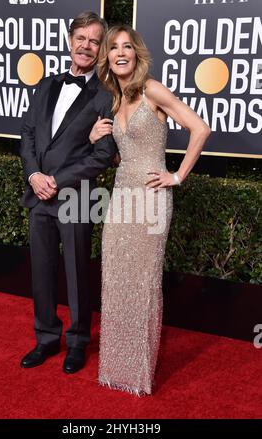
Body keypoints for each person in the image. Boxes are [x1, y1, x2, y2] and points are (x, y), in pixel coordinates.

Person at [89, 24, 211, 395]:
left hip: (152, 200)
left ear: (137, 54)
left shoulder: (152, 90)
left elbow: (200, 128)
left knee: (143, 284)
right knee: (116, 280)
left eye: (127, 46)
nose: (120, 52)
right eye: (113, 47)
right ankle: (115, 369)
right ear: (107, 57)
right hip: (122, 198)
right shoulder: (114, 98)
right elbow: (122, 157)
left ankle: (138, 373)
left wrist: (177, 177)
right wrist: (98, 140)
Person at [19, 11, 117, 374]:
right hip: (38, 193)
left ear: (100, 48)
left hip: (78, 195)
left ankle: (77, 342)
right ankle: (45, 338)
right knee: (41, 271)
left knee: (77, 272)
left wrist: (57, 180)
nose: (86, 46)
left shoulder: (105, 96)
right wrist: (33, 175)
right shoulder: (46, 85)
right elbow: (27, 134)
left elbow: (104, 155)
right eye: (81, 38)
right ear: (70, 40)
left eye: (94, 41)